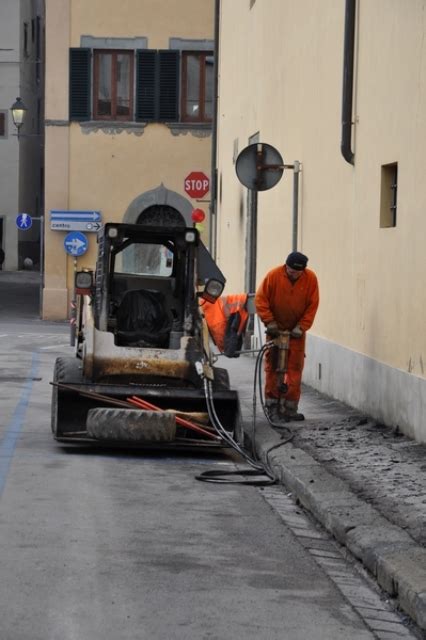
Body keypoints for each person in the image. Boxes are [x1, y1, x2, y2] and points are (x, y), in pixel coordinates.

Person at [255, 251, 319, 423]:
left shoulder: (310, 279)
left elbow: (312, 305)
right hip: (275, 330)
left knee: (294, 369)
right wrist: (270, 322)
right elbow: (261, 300)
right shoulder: (274, 276)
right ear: (286, 266)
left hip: (296, 333)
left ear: (303, 271)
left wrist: (302, 327)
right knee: (273, 367)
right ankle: (273, 406)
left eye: (298, 273)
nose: (294, 274)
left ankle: (290, 408)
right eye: (291, 271)